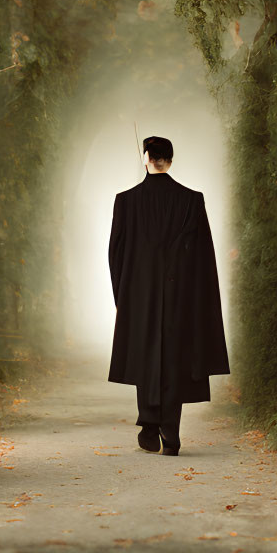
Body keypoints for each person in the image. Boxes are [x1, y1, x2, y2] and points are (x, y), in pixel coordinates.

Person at [107, 135, 229, 455]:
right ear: (171, 161)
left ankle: (149, 423)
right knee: (174, 358)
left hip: (139, 292)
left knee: (146, 354)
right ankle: (169, 431)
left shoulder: (126, 200)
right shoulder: (192, 200)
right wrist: (199, 298)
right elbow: (203, 254)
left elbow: (115, 254)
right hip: (182, 294)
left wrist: (123, 296)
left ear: (145, 157)